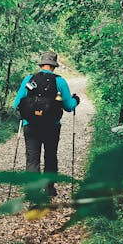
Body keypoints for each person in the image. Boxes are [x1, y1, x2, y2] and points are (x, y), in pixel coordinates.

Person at [13, 51, 79, 196]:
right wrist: (76, 101)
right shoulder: (59, 81)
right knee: (50, 155)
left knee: (32, 158)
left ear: (42, 64)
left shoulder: (29, 79)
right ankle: (50, 188)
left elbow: (16, 103)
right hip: (52, 126)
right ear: (54, 65)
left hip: (30, 124)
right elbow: (68, 106)